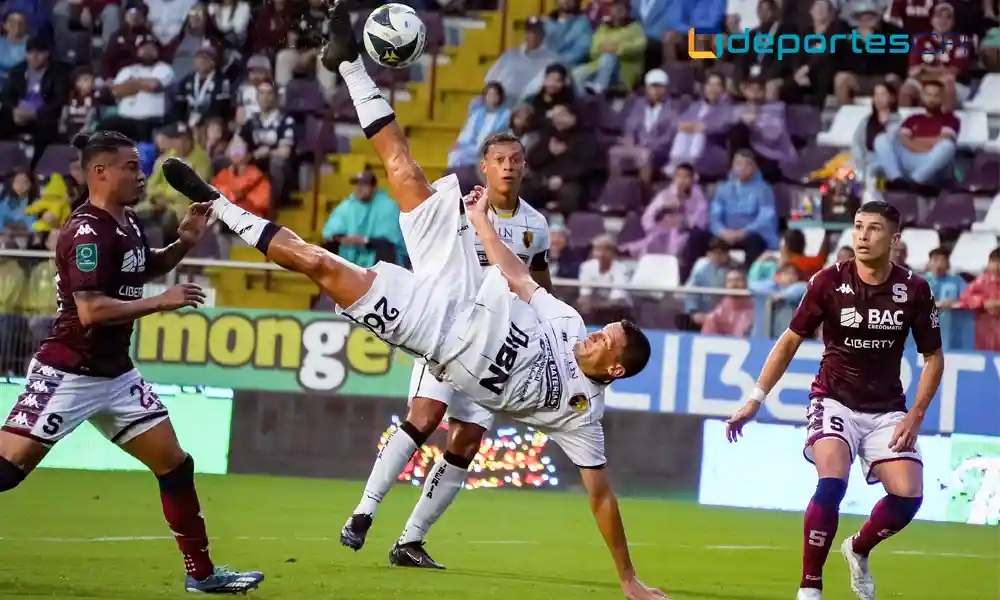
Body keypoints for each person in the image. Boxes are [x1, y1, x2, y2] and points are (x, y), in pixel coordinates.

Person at [167, 5, 662, 598]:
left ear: (612, 370)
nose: (593, 334)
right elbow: (518, 275)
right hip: (456, 280)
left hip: (426, 329)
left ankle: (219, 206)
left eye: (604, 341)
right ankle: (350, 63)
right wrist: (479, 221)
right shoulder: (568, 320)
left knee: (320, 264)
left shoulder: (583, 420)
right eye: (601, 329)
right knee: (400, 164)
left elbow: (601, 496)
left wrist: (628, 579)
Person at [0, 130, 264, 594]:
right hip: (69, 371)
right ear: (99, 172)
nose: (141, 176)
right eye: (131, 167)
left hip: (116, 376)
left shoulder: (125, 222)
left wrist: (182, 242)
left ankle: (202, 576)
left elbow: (144, 268)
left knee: (175, 465)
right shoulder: (86, 230)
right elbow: (91, 310)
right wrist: (162, 303)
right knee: (7, 472)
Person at [343, 130, 552, 562]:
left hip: (497, 347)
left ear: (524, 166)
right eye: (500, 159)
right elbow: (426, 215)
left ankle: (411, 539)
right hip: (445, 330)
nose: (509, 166)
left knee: (467, 441)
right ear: (485, 166)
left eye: (516, 159)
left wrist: (547, 325)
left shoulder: (536, 226)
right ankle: (364, 510)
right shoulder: (459, 202)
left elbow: (538, 281)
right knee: (425, 417)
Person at [725, 201, 943, 600]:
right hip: (833, 399)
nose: (862, 235)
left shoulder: (914, 289)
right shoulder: (827, 282)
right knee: (832, 481)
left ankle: (858, 549)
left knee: (909, 495)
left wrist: (916, 413)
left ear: (894, 239)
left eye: (874, 229)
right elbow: (790, 339)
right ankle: (810, 588)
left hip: (886, 408)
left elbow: (933, 357)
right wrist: (755, 399)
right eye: (858, 227)